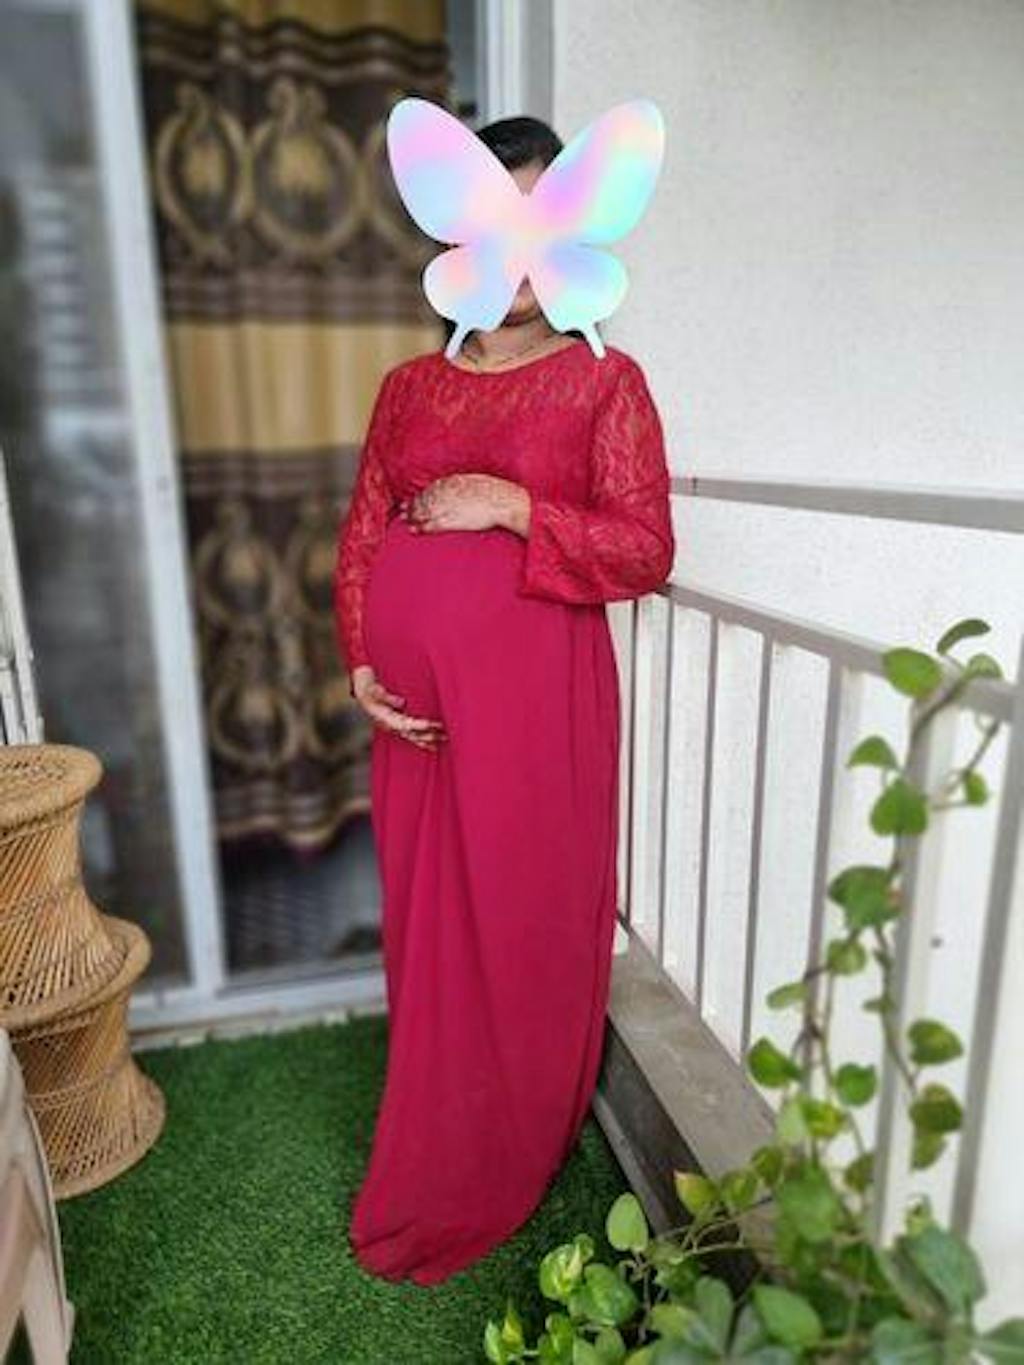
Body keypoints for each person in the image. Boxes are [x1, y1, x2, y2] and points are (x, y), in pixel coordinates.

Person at [334, 112, 675, 1286]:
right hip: (416, 721)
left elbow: (643, 550)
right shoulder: (407, 388)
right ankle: (434, 1124)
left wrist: (513, 506)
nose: (519, 257)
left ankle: (508, 1139)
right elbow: (364, 530)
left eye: (544, 223)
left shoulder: (602, 383)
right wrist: (362, 662)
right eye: (496, 223)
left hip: (534, 703)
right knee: (430, 921)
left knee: (520, 911)